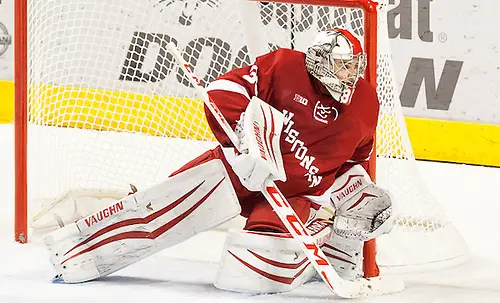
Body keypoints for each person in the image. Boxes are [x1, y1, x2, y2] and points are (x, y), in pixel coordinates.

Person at [44, 27, 394, 293]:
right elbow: (223, 91)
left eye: (353, 66)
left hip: (289, 198)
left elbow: (351, 164)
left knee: (248, 272)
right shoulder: (284, 67)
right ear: (318, 61)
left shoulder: (365, 106)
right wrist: (247, 144)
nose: (349, 74)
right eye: (341, 66)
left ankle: (322, 236)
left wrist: (361, 198)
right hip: (231, 169)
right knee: (158, 209)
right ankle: (76, 245)